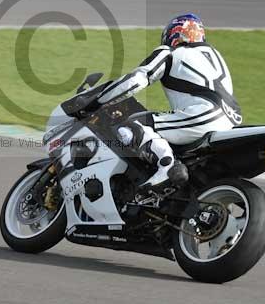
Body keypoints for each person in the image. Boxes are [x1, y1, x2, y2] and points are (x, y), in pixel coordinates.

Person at [95, 13, 243, 195]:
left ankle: (166, 166)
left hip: (203, 116)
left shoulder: (170, 52)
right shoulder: (214, 55)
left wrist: (100, 99)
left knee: (130, 125)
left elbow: (136, 80)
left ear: (174, 34)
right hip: (230, 122)